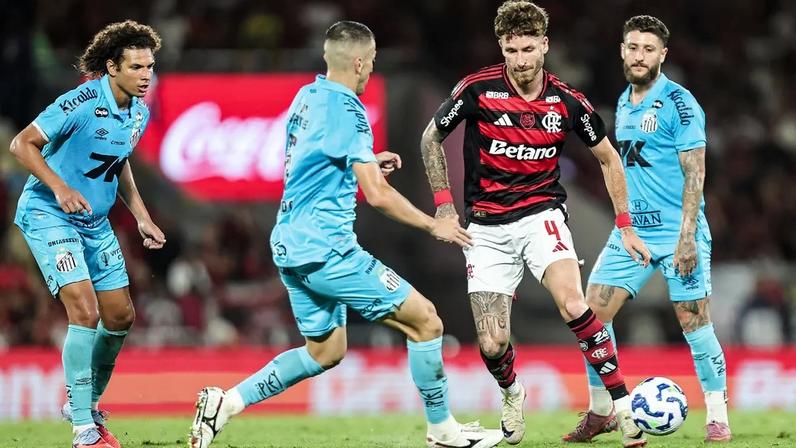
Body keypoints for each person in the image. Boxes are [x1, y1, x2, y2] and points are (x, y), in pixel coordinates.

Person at [189, 21, 503, 448]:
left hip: (290, 246)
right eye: (371, 62)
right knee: (426, 322)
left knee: (325, 351)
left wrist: (368, 160)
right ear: (358, 61)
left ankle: (224, 403)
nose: (371, 70)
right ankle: (443, 431)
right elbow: (376, 195)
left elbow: (313, 161)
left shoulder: (308, 97)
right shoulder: (351, 110)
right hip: (328, 250)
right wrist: (435, 224)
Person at [420, 1, 651, 447]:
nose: (521, 60)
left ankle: (623, 407)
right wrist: (444, 205)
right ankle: (512, 392)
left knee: (573, 303)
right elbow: (431, 136)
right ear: (501, 48)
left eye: (528, 49)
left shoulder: (566, 101)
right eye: (511, 50)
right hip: (485, 228)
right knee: (491, 343)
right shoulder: (477, 89)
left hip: (541, 215)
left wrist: (625, 224)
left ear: (545, 45)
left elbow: (608, 157)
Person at [563, 15, 731, 443]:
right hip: (633, 234)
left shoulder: (679, 103)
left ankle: (717, 417)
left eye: (649, 49)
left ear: (663, 55)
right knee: (592, 314)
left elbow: (696, 173)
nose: (640, 56)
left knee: (694, 323)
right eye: (633, 47)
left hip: (679, 233)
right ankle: (603, 411)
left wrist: (688, 236)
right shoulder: (624, 100)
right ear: (623, 50)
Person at [9, 20, 165, 448]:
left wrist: (142, 216)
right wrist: (59, 187)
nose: (146, 75)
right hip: (49, 214)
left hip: (94, 223)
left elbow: (120, 163)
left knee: (120, 317)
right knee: (85, 311)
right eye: (136, 67)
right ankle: (83, 430)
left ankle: (85, 403)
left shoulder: (139, 112)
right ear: (111, 67)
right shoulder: (79, 100)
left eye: (150, 66)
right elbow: (22, 144)